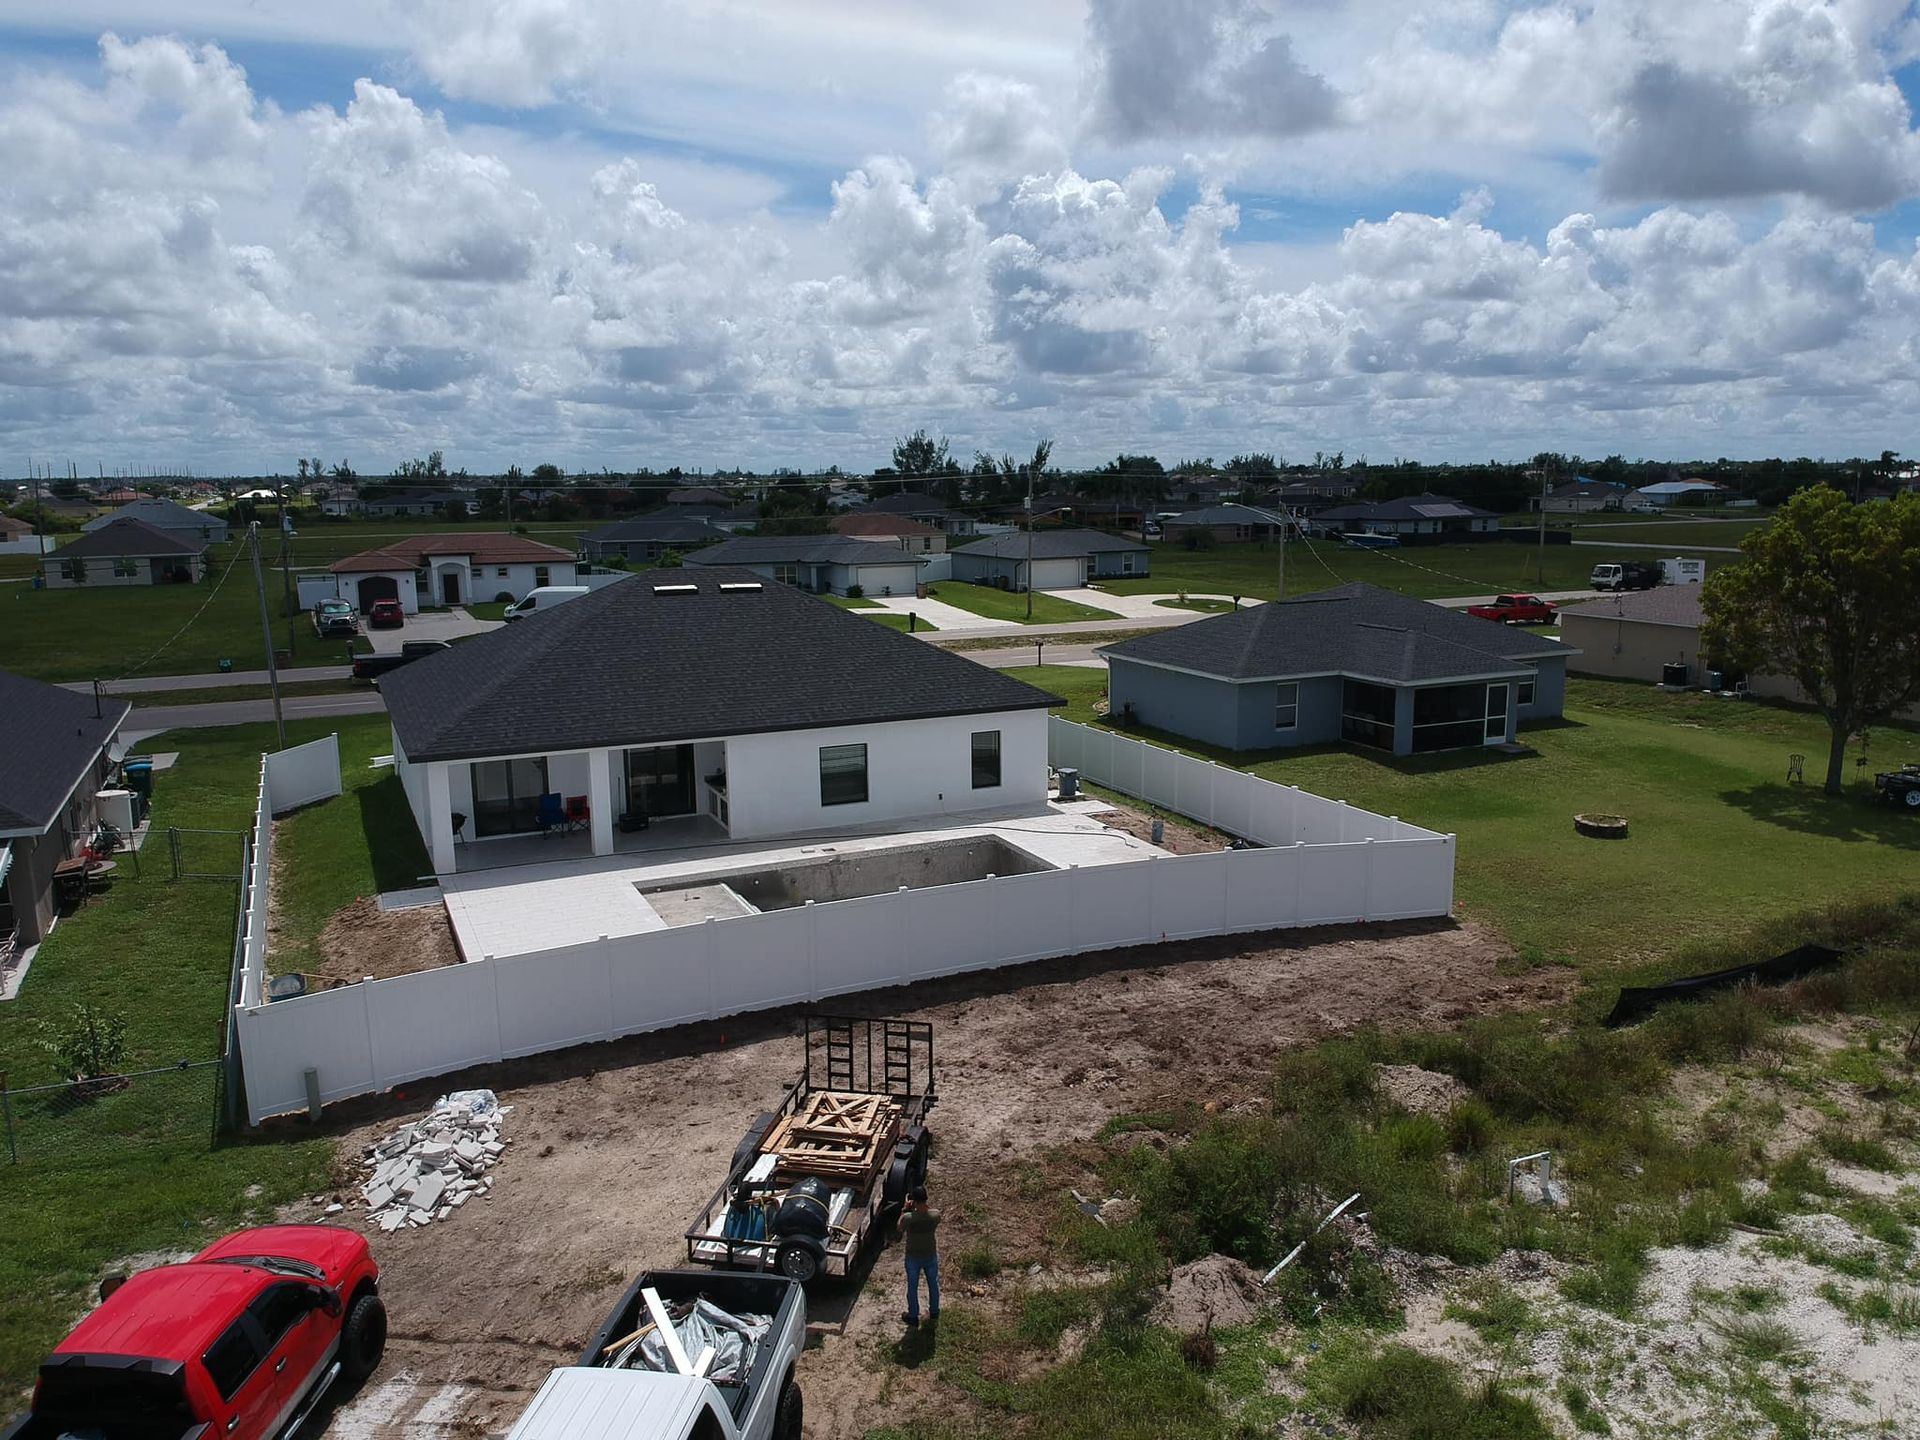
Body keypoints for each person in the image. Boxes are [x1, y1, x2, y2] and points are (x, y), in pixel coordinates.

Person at [898, 1184, 940, 1328]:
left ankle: (913, 1316)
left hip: (913, 1257)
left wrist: (905, 1208)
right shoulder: (935, 1215)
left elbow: (899, 1227)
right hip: (930, 1255)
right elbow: (929, 1211)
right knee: (933, 1284)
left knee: (912, 1286)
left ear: (914, 1201)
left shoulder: (908, 1218)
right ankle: (934, 1311)